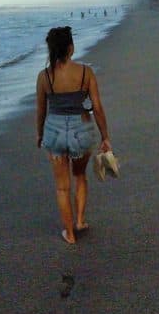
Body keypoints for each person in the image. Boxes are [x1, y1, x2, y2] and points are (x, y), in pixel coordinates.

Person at [35, 26, 112, 244]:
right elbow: (97, 107)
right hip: (82, 130)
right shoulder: (85, 72)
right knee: (80, 176)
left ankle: (69, 233)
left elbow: (41, 110)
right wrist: (105, 136)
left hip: (54, 133)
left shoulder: (44, 77)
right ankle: (79, 221)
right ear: (71, 48)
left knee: (62, 186)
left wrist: (40, 134)